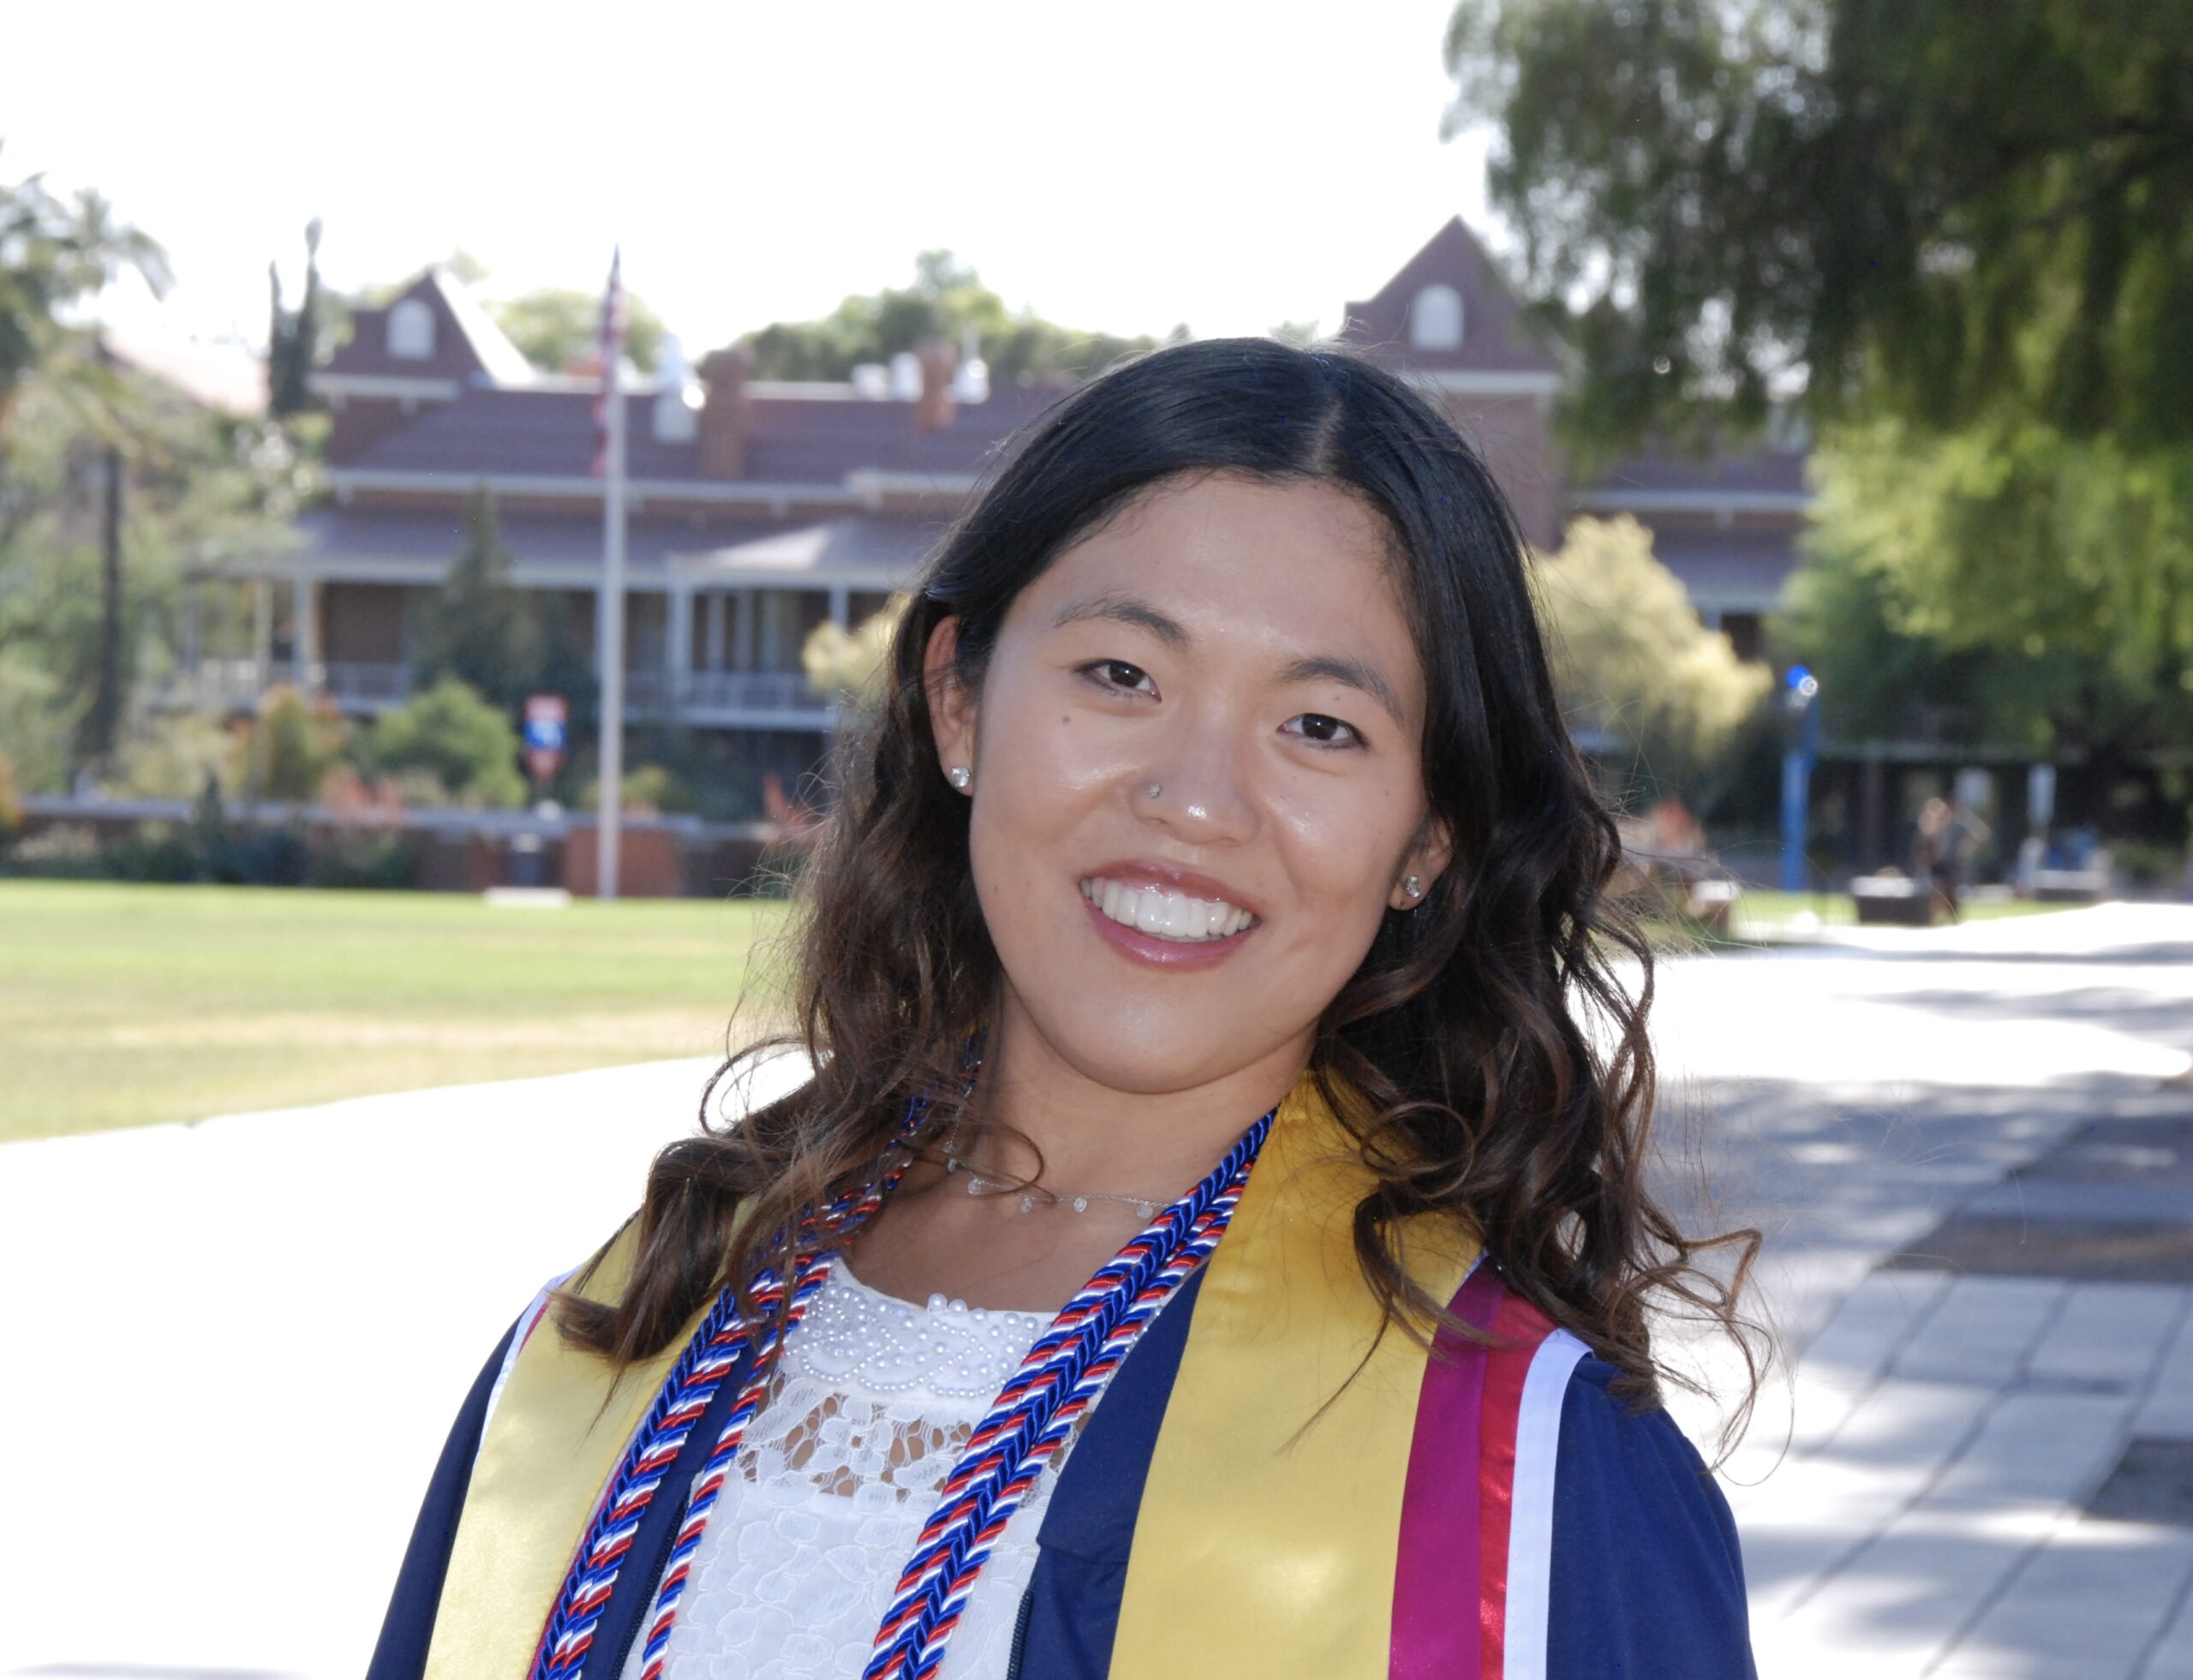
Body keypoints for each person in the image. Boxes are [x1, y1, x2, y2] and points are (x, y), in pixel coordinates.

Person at [367, 338, 1761, 1680]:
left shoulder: (1523, 1484)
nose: (1194, 796)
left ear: (1429, 837)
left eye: (1321, 726)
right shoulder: (614, 1347)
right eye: (1121, 675)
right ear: (959, 701)